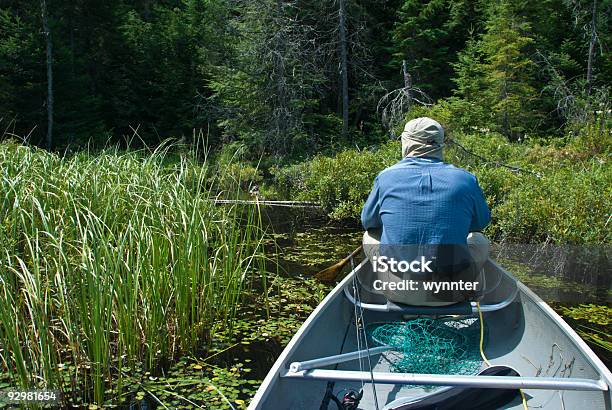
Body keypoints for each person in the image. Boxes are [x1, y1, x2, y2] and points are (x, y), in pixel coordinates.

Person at [361, 117, 491, 305]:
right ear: (439, 144)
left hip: (400, 291)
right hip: (450, 293)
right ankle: (472, 289)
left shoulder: (385, 177)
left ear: (406, 142)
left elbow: (368, 222)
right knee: (479, 239)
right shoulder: (466, 179)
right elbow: (480, 223)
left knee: (369, 235)